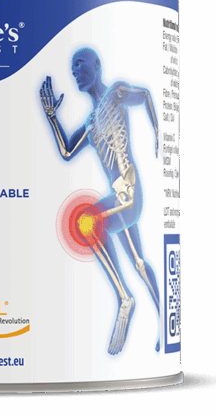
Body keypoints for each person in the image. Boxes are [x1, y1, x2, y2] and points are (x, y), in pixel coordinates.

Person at [40, 47, 160, 355]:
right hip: (119, 198)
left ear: (97, 65)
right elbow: (67, 151)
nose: (76, 72)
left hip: (129, 193)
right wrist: (52, 117)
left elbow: (145, 95)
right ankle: (166, 325)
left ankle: (124, 297)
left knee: (87, 220)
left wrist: (160, 134)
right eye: (72, 69)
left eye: (80, 64)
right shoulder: (92, 123)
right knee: (139, 262)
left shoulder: (116, 94)